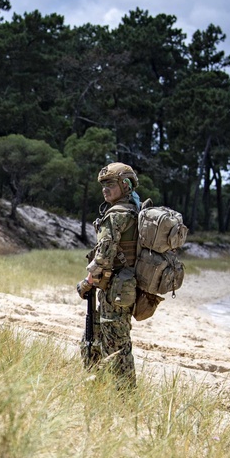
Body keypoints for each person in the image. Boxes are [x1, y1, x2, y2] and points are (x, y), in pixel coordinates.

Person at [76, 162, 140, 387]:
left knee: (116, 344)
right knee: (109, 338)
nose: (105, 189)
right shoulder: (135, 210)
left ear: (125, 185)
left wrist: (87, 283)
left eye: (110, 184)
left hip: (116, 289)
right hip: (124, 287)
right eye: (103, 185)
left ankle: (124, 395)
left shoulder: (116, 215)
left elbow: (102, 258)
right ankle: (106, 389)